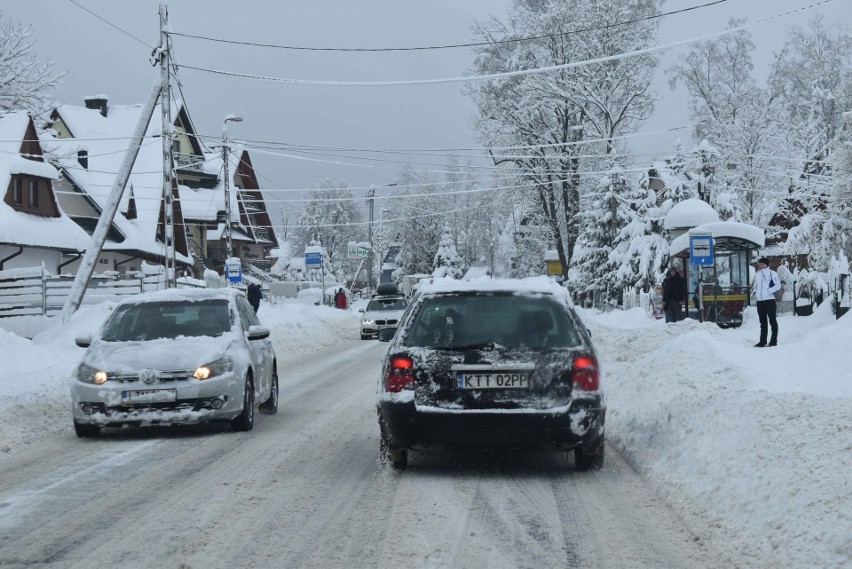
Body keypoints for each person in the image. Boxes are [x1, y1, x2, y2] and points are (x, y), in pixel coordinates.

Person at [751, 257, 781, 347]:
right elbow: (755, 286)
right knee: (763, 322)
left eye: (762, 264)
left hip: (770, 300)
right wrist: (756, 292)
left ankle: (773, 341)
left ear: (766, 264)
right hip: (760, 301)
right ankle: (762, 341)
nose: (760, 265)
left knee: (772, 321)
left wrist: (769, 291)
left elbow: (778, 285)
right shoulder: (757, 274)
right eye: (760, 264)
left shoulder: (772, 273)